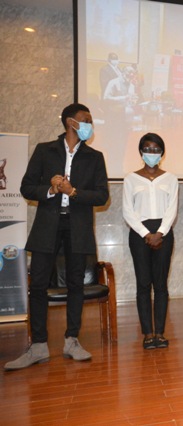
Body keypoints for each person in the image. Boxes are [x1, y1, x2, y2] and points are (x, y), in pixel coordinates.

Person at [5, 103, 109, 371]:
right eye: (86, 120)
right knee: (39, 283)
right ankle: (38, 346)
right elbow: (26, 187)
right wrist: (51, 189)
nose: (89, 125)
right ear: (70, 122)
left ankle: (71, 340)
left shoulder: (95, 157)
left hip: (78, 226)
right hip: (47, 225)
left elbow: (102, 195)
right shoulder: (45, 150)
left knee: (76, 284)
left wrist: (73, 192)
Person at [123, 133, 178, 350]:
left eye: (156, 149)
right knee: (143, 284)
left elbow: (172, 209)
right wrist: (146, 234)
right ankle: (147, 334)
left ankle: (160, 333)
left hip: (164, 234)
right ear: (141, 152)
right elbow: (128, 211)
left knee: (161, 284)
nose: (152, 153)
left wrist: (160, 233)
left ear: (162, 153)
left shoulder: (171, 179)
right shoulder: (130, 179)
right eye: (147, 149)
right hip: (139, 235)